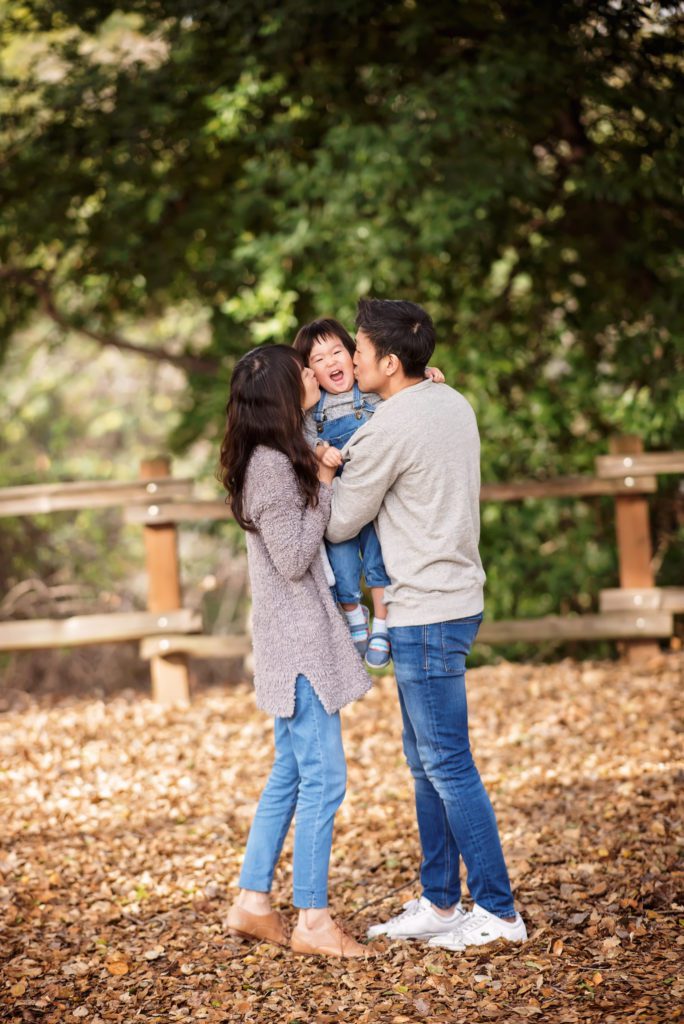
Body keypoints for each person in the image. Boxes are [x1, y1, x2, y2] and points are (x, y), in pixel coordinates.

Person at [326, 298, 527, 951]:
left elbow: (338, 521)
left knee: (445, 761)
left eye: (357, 350)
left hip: (425, 610)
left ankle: (498, 912)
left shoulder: (389, 427)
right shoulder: (452, 402)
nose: (351, 360)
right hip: (454, 598)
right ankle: (442, 903)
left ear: (388, 361)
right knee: (426, 762)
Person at [218, 344, 371, 958]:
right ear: (284, 393)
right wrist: (327, 485)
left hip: (287, 639)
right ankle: (313, 919)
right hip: (300, 645)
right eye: (302, 371)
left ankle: (254, 901)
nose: (314, 372)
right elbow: (293, 556)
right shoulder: (274, 468)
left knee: (289, 773)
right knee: (325, 780)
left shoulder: (272, 453)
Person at [293, 318, 445, 670]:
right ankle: (352, 612)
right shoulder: (312, 409)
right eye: (319, 359)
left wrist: (426, 375)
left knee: (378, 560)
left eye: (338, 352)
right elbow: (300, 438)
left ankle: (381, 621)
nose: (332, 362)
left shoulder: (371, 392)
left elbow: (404, 388)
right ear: (309, 372)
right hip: (338, 495)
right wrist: (319, 451)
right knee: (342, 560)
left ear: (354, 356)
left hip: (374, 495)